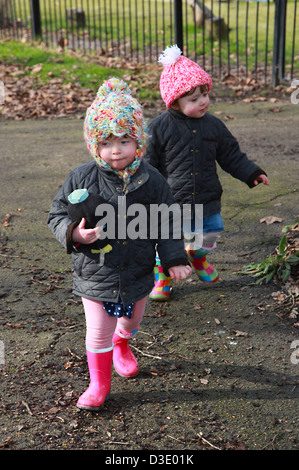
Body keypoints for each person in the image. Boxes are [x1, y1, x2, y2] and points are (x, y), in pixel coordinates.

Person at [47, 77, 191, 411]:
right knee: (98, 331)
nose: (116, 150)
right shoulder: (81, 178)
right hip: (96, 271)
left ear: (138, 142)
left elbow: (167, 220)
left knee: (132, 320)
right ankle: (98, 384)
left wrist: (173, 258)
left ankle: (123, 344)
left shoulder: (152, 180)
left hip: (139, 269)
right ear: (93, 144)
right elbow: (56, 214)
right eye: (107, 141)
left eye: (125, 140)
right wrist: (74, 234)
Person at [144, 45, 269, 301]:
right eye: (193, 98)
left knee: (208, 235)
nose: (203, 101)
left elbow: (231, 154)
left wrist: (251, 173)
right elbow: (148, 162)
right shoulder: (159, 128)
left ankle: (198, 258)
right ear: (175, 102)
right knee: (167, 241)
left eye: (204, 94)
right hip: (172, 199)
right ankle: (163, 276)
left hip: (207, 195)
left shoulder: (213, 125)